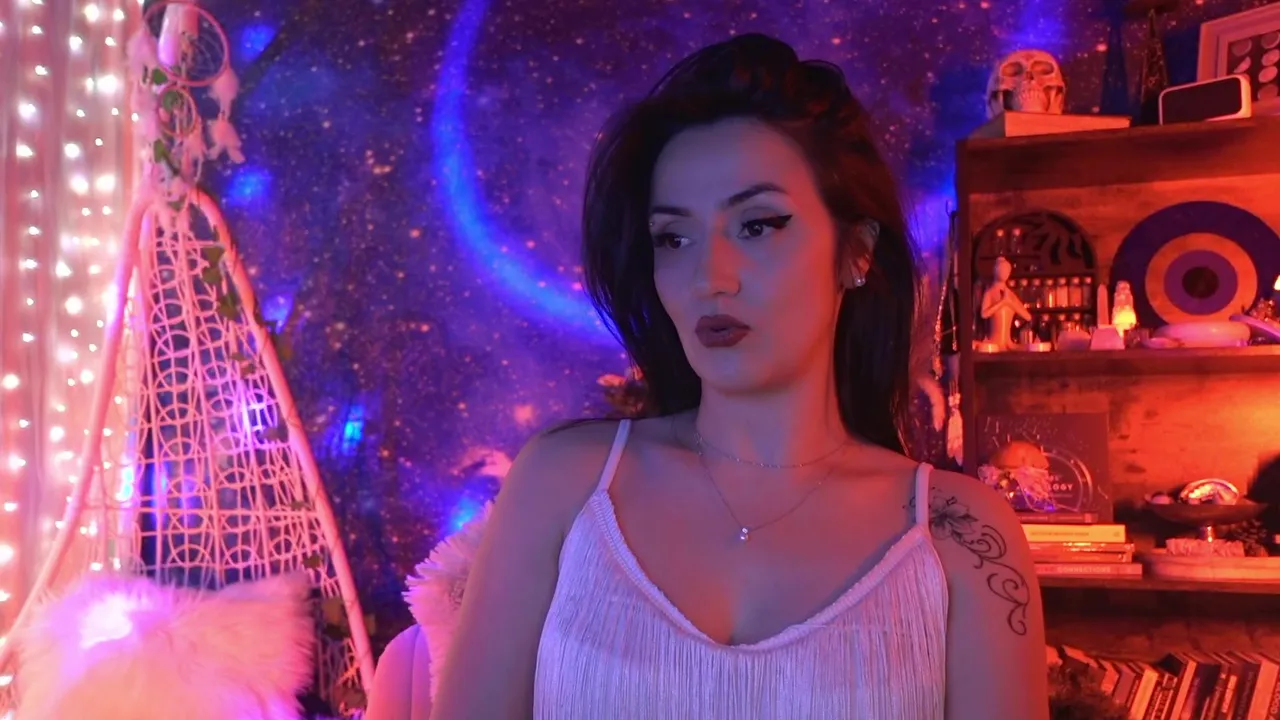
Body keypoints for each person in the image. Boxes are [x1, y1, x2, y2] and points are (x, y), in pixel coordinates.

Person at [428, 33, 1047, 720]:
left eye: (758, 225)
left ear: (856, 252)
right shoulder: (563, 482)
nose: (710, 278)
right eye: (674, 238)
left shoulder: (960, 537)